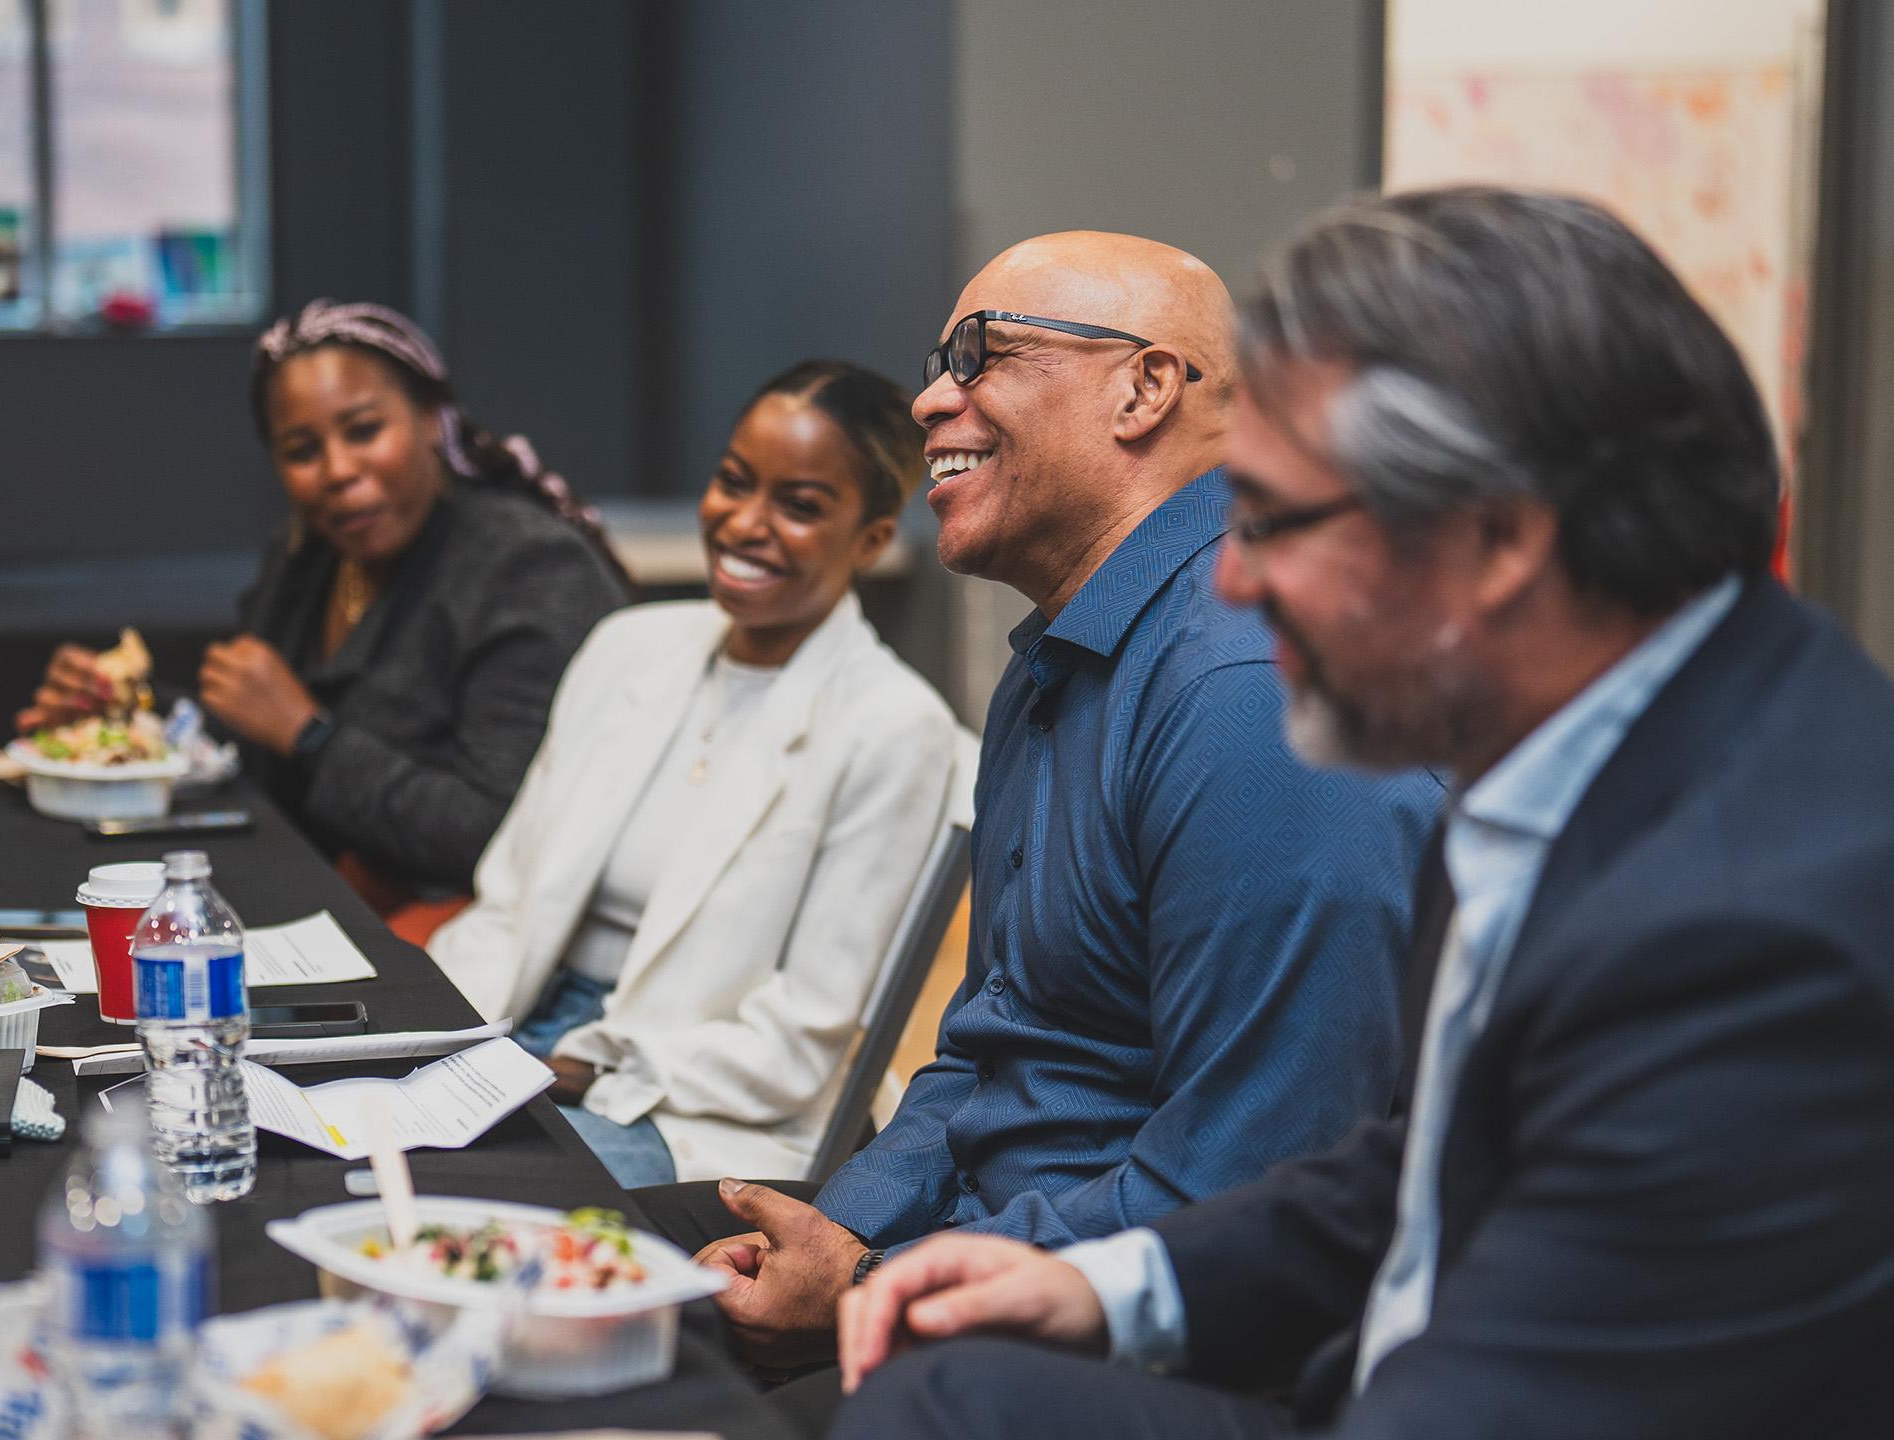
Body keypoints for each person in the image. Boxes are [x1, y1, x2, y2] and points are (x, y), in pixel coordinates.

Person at [832, 188, 1894, 1440]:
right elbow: (1420, 1174)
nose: (1229, 573)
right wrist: (1101, 1284)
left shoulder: (1750, 934)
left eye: (1275, 521)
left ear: (1492, 542)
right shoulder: (1577, 741)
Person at [627, 232, 1443, 1407]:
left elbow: (1240, 1201)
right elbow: (987, 1052)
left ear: (1144, 388)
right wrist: (831, 1235)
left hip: (1162, 1354)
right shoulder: (1059, 659)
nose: (927, 399)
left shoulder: (1251, 695)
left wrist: (873, 1289)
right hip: (993, 1258)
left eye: (981, 354)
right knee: (567, 1239)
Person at [429, 360, 966, 1189]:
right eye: (733, 482)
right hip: (522, 1026)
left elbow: (797, 1042)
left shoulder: (894, 728)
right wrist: (434, 1042)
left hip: (698, 1107)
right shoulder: (628, 647)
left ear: (872, 539)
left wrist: (581, 1066)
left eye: (800, 506)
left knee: (475, 1188)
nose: (746, 523)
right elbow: (507, 899)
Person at [20, 301, 628, 939]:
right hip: (313, 904)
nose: (337, 472)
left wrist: (309, 734)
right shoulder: (313, 552)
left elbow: (498, 837)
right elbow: (250, 734)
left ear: (430, 419)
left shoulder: (527, 569)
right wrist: (122, 712)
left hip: (472, 941)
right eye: (302, 450)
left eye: (364, 431)